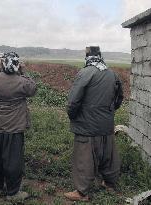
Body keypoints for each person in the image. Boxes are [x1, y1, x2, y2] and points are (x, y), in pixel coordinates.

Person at [64, 46, 123, 202]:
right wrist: (108, 113)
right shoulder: (112, 74)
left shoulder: (85, 73)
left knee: (85, 158)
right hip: (106, 124)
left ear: (88, 56)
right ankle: (110, 184)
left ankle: (82, 192)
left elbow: (73, 101)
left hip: (87, 126)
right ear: (100, 55)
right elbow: (119, 98)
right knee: (108, 155)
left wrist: (73, 116)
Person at [0, 52, 36, 201]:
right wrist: (23, 71)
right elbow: (33, 88)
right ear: (17, 64)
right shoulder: (23, 82)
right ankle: (13, 192)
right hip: (15, 126)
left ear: (2, 63)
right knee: (13, 160)